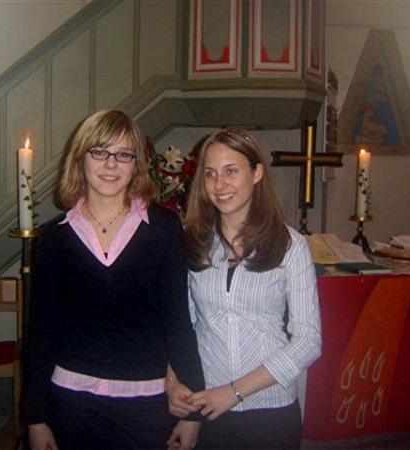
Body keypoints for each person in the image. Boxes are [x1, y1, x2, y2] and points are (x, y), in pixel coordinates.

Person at [24, 109, 205, 450]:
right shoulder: (54, 239)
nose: (110, 164)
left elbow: (178, 323)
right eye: (99, 152)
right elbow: (42, 332)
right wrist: (35, 417)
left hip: (145, 404)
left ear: (137, 165)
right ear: (80, 159)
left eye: (123, 154)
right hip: (70, 402)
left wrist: (192, 411)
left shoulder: (164, 230)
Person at [177, 128, 322, 449]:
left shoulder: (290, 245)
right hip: (208, 403)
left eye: (231, 171)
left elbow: (309, 341)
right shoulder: (195, 243)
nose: (219, 184)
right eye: (210, 174)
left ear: (256, 173)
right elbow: (184, 328)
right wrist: (183, 399)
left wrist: (235, 391)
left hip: (270, 408)